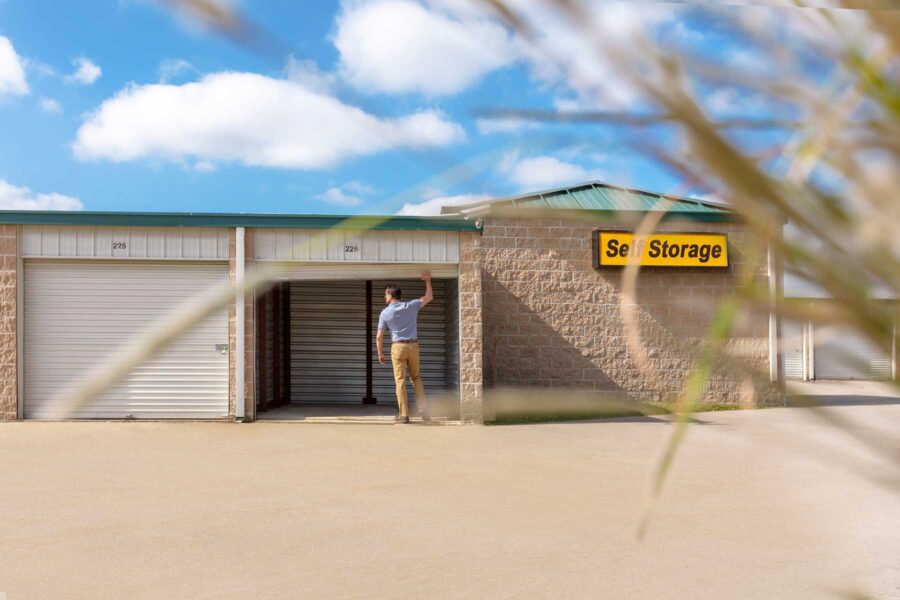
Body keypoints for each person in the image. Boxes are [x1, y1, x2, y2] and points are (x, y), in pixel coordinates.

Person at [377, 272, 433, 424]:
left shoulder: (385, 313)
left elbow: (379, 336)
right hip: (413, 346)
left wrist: (380, 353)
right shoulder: (411, 305)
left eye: (385, 295)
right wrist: (427, 281)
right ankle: (424, 411)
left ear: (390, 295)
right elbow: (429, 297)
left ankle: (404, 415)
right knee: (416, 378)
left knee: (400, 381)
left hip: (398, 348)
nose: (384, 297)